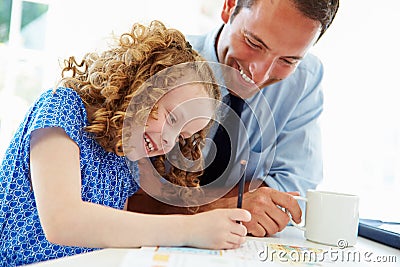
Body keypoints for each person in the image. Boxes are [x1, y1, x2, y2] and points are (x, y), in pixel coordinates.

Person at [0, 20, 252, 267]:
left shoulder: (126, 158)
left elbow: (112, 235)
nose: (169, 140)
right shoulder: (61, 108)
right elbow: (62, 221)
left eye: (181, 138)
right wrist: (190, 229)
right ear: (141, 85)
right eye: (172, 117)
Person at [128, 0, 340, 237]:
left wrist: (172, 200)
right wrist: (213, 208)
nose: (260, 73)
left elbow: (294, 186)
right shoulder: (161, 64)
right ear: (229, 6)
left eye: (287, 60)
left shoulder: (305, 79)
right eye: (253, 43)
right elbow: (113, 193)